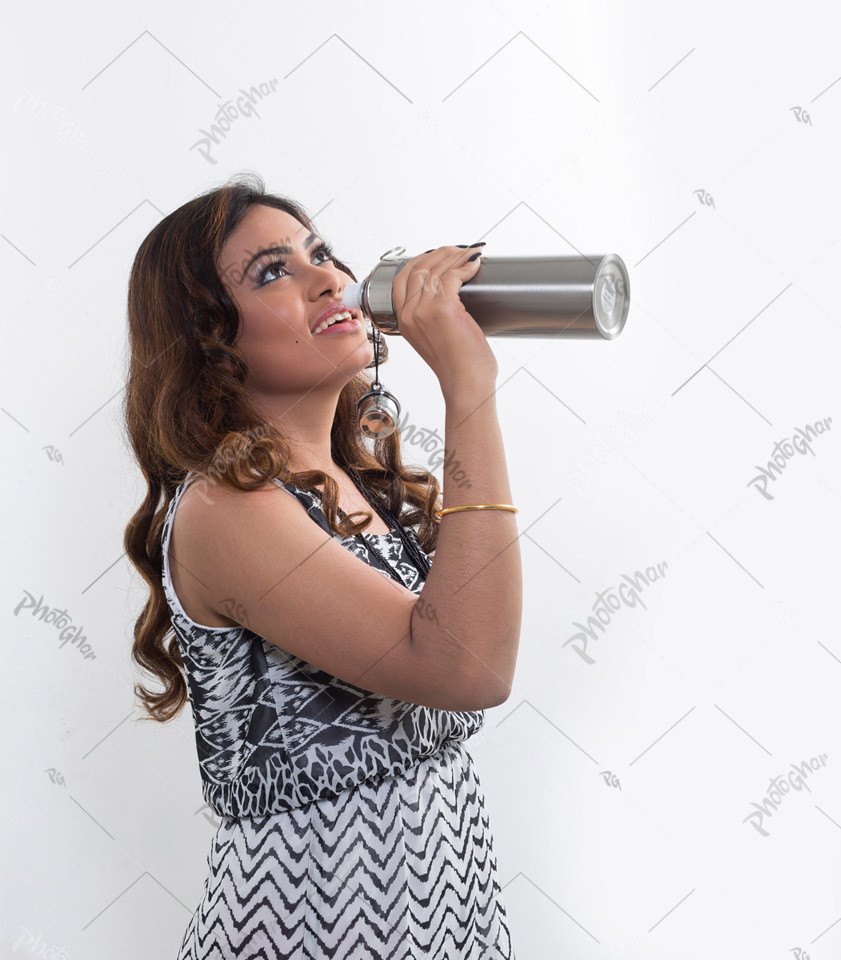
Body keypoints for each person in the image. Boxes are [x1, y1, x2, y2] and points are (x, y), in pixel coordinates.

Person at [123, 171, 523, 958]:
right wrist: (469, 389)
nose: (330, 279)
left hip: (446, 923)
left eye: (321, 254)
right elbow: (466, 668)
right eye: (274, 271)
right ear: (209, 336)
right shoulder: (227, 508)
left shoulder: (352, 483)